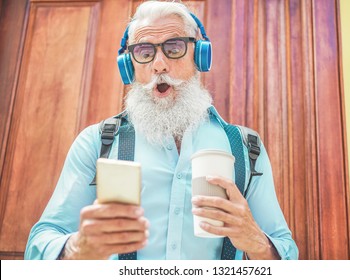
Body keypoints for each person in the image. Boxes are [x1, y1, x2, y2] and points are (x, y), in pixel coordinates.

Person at [25, 0, 298, 260]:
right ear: (129, 66)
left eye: (174, 47)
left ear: (200, 55)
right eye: (144, 52)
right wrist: (77, 246)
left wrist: (255, 240)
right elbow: (39, 245)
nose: (159, 65)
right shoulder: (96, 143)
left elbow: (286, 252)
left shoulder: (247, 147)